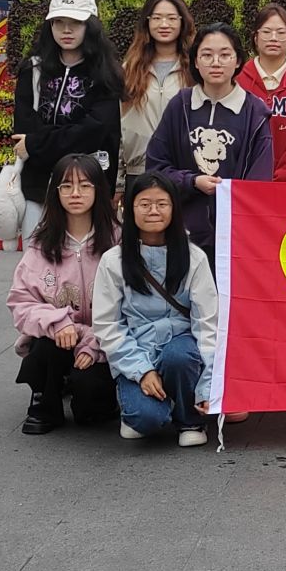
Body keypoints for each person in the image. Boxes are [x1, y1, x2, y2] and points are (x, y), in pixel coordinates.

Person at [91, 172, 218, 445]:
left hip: (181, 348)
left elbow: (208, 324)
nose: (153, 211)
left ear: (174, 208)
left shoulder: (194, 257)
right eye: (145, 204)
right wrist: (142, 371)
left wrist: (208, 386)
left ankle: (190, 420)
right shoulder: (113, 260)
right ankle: (142, 406)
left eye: (162, 204)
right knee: (145, 420)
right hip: (136, 348)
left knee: (179, 356)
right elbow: (107, 326)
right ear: (130, 208)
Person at [7, 153, 119, 434]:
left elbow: (132, 304)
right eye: (66, 186)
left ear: (99, 189)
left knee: (92, 409)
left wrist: (93, 342)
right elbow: (20, 301)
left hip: (103, 342)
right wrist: (57, 321)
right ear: (55, 192)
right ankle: (45, 403)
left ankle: (90, 392)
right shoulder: (42, 243)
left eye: (85, 185)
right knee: (44, 347)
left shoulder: (118, 240)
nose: (75, 193)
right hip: (58, 338)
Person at [145, 22, 275, 264]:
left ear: (238, 61)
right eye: (207, 55)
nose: (216, 62)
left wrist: (230, 194)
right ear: (195, 61)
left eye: (225, 55)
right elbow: (155, 168)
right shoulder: (180, 106)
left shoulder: (254, 113)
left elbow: (260, 183)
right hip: (182, 231)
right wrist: (192, 182)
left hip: (236, 236)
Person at [11, 0, 124, 235]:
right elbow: (24, 128)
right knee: (38, 254)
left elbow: (94, 131)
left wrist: (36, 144)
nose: (66, 30)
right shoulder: (33, 70)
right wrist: (45, 141)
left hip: (88, 186)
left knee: (88, 254)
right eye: (58, 22)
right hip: (39, 188)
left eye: (75, 23)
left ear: (90, 26)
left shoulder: (105, 74)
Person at [238, 3, 286, 182]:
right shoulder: (237, 81)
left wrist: (279, 183)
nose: (273, 38)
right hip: (245, 185)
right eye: (266, 32)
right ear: (256, 37)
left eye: (281, 33)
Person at [119, 0, 195, 179]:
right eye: (157, 18)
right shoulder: (130, 69)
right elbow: (116, 125)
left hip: (183, 173)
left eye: (171, 18)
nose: (164, 24)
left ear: (182, 22)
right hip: (138, 171)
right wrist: (119, 178)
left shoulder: (196, 69)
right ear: (147, 22)